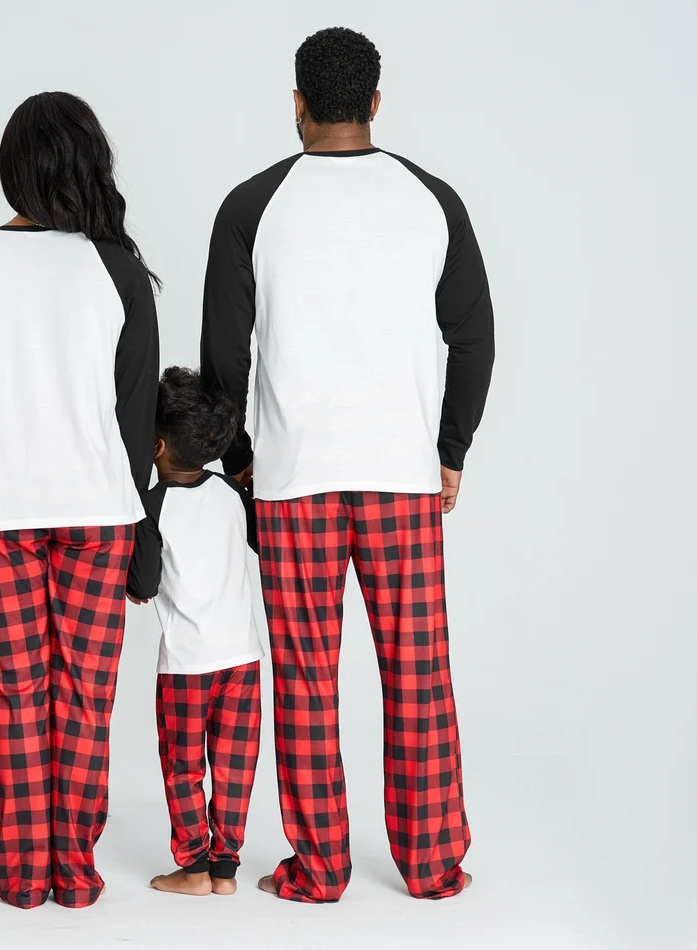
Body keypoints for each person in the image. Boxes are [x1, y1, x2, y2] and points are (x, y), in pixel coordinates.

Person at [200, 27, 494, 903]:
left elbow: (223, 361)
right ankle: (432, 864)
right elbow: (474, 337)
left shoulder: (252, 205)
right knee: (419, 673)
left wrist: (244, 462)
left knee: (304, 677)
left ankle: (320, 866)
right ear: (375, 102)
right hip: (402, 478)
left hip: (294, 483)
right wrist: (449, 451)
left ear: (297, 104)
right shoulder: (431, 199)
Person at [0, 92, 159, 910]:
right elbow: (137, 419)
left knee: (17, 693)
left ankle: (24, 875)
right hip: (99, 513)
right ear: (90, 161)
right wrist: (140, 526)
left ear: (12, 167)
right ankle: (76, 870)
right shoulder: (118, 270)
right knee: (86, 694)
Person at [126, 367, 264, 897]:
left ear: (156, 446)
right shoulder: (232, 492)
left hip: (186, 663)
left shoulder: (151, 505)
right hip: (243, 657)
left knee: (183, 767)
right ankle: (226, 871)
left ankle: (194, 868)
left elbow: (143, 583)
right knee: (235, 765)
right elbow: (256, 543)